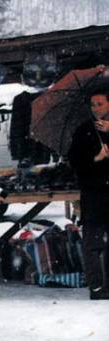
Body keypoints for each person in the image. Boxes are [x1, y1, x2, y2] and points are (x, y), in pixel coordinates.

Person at [68, 84, 109, 300]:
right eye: (93, 105)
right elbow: (74, 162)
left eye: (100, 104)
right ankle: (97, 286)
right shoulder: (83, 130)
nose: (96, 109)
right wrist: (96, 159)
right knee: (93, 241)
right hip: (93, 192)